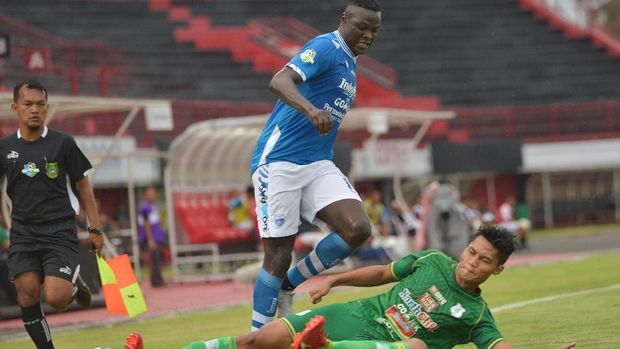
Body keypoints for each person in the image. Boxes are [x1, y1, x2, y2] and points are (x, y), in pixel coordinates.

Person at [142, 225, 575, 349]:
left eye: (483, 262)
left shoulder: (477, 317)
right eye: (471, 253)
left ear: (496, 271)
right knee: (260, 339)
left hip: (395, 344)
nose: (471, 263)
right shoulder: (432, 261)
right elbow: (382, 273)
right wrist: (336, 278)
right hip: (359, 316)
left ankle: (322, 347)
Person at [247, 0, 381, 330]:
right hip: (279, 161)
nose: (367, 35)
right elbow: (280, 81)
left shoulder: (351, 65)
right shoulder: (326, 46)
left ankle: (289, 285)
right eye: (362, 27)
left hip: (317, 163)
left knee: (358, 228)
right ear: (345, 19)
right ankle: (259, 336)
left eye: (374, 31)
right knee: (278, 253)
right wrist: (310, 110)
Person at [0, 79, 104, 349]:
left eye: (40, 104)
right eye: (28, 104)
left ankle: (72, 283)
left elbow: (83, 185)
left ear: (46, 108)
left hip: (59, 230)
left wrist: (95, 228)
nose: (34, 110)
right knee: (26, 293)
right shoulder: (4, 148)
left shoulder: (63, 143)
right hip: (23, 231)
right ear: (15, 107)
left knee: (56, 299)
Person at [137, 185, 166, 287]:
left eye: (153, 193)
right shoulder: (144, 207)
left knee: (157, 259)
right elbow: (146, 224)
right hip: (151, 239)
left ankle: (157, 280)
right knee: (154, 260)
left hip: (157, 238)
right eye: (150, 193)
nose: (152, 195)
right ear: (145, 195)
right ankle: (156, 281)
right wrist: (150, 239)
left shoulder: (152, 206)